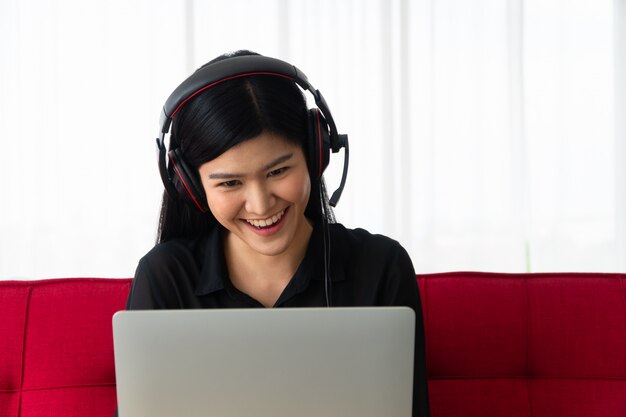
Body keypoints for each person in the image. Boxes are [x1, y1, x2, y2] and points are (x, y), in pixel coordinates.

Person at [118, 50, 430, 417]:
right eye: (231, 182)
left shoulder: (381, 267)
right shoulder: (166, 277)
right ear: (192, 187)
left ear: (316, 156)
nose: (261, 205)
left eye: (278, 172)